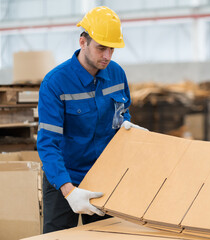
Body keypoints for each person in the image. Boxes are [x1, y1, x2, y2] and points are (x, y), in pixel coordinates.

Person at [37, 6, 147, 233]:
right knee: (58, 237)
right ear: (83, 42)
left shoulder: (117, 74)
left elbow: (123, 113)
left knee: (106, 236)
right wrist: (69, 190)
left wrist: (126, 126)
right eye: (101, 48)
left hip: (103, 177)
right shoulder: (55, 83)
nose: (107, 56)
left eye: (112, 49)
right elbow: (48, 143)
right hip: (63, 176)